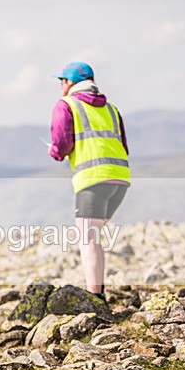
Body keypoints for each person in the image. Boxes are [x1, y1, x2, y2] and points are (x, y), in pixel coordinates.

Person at [49, 61, 130, 302]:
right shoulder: (112, 109)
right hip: (120, 179)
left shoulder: (66, 105)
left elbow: (62, 144)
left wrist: (56, 152)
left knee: (88, 238)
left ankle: (96, 296)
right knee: (94, 234)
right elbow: (123, 144)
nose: (60, 86)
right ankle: (98, 290)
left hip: (92, 178)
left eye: (61, 81)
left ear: (70, 83)